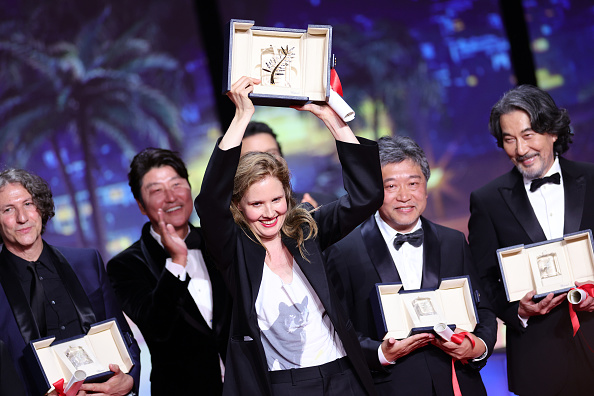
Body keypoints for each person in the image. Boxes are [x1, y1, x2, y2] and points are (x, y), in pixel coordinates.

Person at [194, 76, 383, 396]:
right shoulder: (233, 248)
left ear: (288, 195)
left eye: (276, 200)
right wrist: (241, 117)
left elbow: (366, 197)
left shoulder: (305, 230)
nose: (269, 213)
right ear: (239, 205)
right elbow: (210, 204)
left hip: (343, 374)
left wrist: (332, 120)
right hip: (284, 385)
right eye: (256, 203)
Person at [324, 136, 497, 395]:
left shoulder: (453, 241)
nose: (405, 196)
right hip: (390, 387)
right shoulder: (343, 250)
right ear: (372, 190)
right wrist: (381, 353)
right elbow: (337, 330)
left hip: (458, 383)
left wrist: (478, 346)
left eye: (413, 183)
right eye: (390, 186)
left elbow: (482, 309)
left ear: (426, 186)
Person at [468, 84, 594, 395]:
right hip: (540, 357)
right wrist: (519, 312)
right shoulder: (487, 201)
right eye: (509, 139)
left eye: (528, 135)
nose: (520, 149)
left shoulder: (592, 180)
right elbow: (482, 278)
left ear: (553, 131)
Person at [0, 168, 140, 395]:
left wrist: (130, 379)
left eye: (28, 204)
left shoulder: (87, 263)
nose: (22, 218)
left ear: (41, 207)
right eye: (8, 209)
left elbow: (125, 338)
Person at [107, 148, 232, 395]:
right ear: (141, 206)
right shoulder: (125, 265)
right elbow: (157, 328)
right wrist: (177, 260)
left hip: (246, 385)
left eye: (176, 185)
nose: (171, 197)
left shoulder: (222, 242)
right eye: (156, 191)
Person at [241, 120, 338, 208]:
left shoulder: (327, 205)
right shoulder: (231, 222)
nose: (267, 162)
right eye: (254, 157)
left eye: (271, 154)